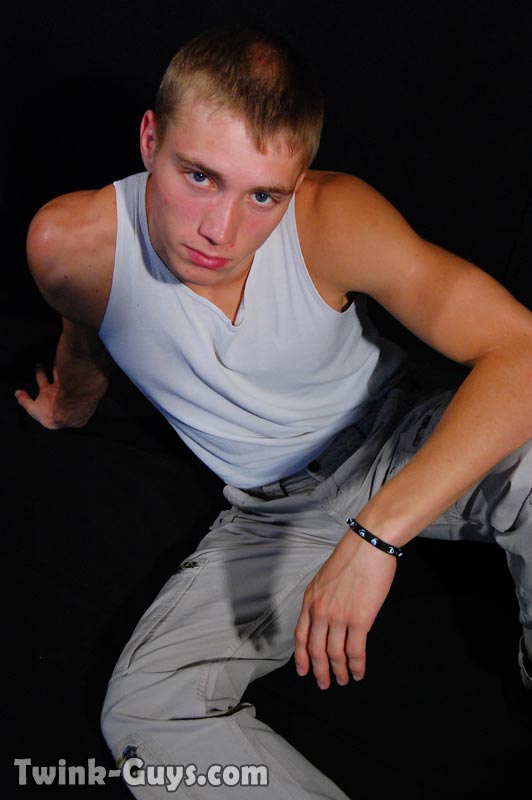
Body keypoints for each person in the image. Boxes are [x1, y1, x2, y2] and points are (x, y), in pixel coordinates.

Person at [15, 25, 532, 799]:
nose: (221, 231)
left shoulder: (332, 216)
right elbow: (85, 329)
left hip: (397, 443)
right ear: (151, 139)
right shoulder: (69, 246)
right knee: (148, 714)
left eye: (262, 195)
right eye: (199, 176)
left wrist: (377, 535)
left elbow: (522, 352)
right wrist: (71, 400)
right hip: (273, 514)